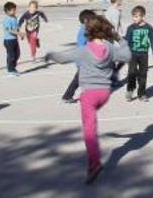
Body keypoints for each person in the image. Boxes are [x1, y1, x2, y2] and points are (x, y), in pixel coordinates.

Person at [47, 16, 131, 184]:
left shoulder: (84, 50)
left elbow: (63, 58)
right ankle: (94, 162)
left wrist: (50, 54)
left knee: (89, 132)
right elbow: (127, 56)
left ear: (88, 32)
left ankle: (94, 164)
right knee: (90, 120)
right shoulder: (110, 48)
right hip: (105, 93)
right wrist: (119, 38)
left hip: (90, 96)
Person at [62, 9, 98, 103]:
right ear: (86, 20)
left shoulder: (86, 29)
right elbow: (82, 46)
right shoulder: (84, 31)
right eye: (92, 19)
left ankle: (68, 96)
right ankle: (68, 96)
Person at [125, 6, 153, 102]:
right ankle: (130, 90)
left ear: (143, 17)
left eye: (136, 16)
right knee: (131, 73)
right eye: (133, 16)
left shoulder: (149, 28)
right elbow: (127, 41)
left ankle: (142, 93)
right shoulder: (130, 28)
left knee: (143, 74)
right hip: (132, 54)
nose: (134, 19)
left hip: (144, 55)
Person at [2, 2, 22, 76]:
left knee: (17, 54)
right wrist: (19, 33)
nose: (14, 11)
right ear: (7, 11)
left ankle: (13, 67)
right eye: (12, 10)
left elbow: (16, 28)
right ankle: (10, 70)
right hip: (8, 41)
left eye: (15, 10)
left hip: (14, 40)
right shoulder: (6, 20)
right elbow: (9, 30)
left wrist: (20, 34)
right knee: (11, 55)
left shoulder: (15, 18)